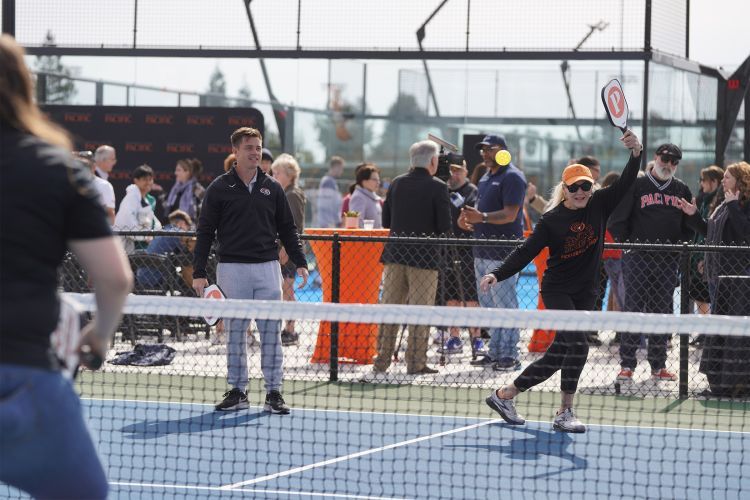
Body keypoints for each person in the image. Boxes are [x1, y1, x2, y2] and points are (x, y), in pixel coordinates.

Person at [0, 34, 133, 498]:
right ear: (24, 89)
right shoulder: (60, 169)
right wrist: (101, 332)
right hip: (25, 379)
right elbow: (115, 276)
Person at [482, 130, 642, 433]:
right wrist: (497, 273)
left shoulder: (600, 204)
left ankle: (507, 396)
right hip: (557, 291)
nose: (581, 191)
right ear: (565, 190)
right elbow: (525, 251)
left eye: (585, 186)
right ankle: (563, 410)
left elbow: (626, 181)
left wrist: (636, 152)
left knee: (564, 352)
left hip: (585, 292)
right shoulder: (551, 219)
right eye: (575, 187)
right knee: (577, 345)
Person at [192, 127, 309, 414]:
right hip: (231, 270)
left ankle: (274, 392)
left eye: (258, 147)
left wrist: (300, 260)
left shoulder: (273, 188)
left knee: (270, 331)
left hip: (268, 269)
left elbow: (288, 229)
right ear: (236, 151)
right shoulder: (219, 188)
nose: (255, 152)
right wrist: (198, 271)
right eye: (249, 148)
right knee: (235, 333)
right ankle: (238, 391)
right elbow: (205, 231)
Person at [609, 143, 694, 384]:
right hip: (637, 259)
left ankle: (658, 366)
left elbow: (688, 228)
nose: (669, 165)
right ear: (656, 157)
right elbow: (617, 220)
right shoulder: (636, 185)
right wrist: (627, 245)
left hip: (667, 262)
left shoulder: (682, 189)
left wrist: (678, 250)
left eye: (674, 162)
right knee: (633, 310)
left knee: (662, 313)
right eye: (665, 159)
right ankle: (627, 365)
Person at [367, 140, 452, 378]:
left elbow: (386, 221)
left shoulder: (396, 183)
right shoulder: (438, 187)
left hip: (395, 254)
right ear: (433, 161)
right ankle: (415, 362)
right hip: (425, 259)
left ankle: (381, 360)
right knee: (420, 311)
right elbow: (444, 226)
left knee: (390, 309)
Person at [459, 134, 526, 371]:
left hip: (503, 253)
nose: (485, 154)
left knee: (505, 305)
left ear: (503, 151)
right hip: (482, 250)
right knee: (489, 305)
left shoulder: (513, 177)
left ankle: (510, 354)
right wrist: (469, 219)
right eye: (483, 151)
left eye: (490, 149)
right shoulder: (487, 177)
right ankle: (496, 352)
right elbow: (483, 213)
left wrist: (483, 217)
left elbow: (510, 213)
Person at [678, 162, 750, 308]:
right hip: (718, 272)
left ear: (740, 180)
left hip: (739, 275)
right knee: (719, 318)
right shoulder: (725, 204)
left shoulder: (741, 204)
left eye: (727, 178)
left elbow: (745, 232)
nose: (723, 181)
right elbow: (709, 230)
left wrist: (733, 206)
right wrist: (694, 215)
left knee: (736, 320)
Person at [436, 161, 482, 354]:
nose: (454, 174)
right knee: (450, 297)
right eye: (451, 170)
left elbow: (472, 217)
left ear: (466, 171)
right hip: (446, 250)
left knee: (471, 298)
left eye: (458, 170)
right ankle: (454, 338)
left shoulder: (473, 191)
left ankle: (477, 339)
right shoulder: (440, 190)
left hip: (466, 251)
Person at [271, 153, 307, 346]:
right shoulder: (284, 193)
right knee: (284, 288)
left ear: (290, 174)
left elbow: (295, 226)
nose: (274, 175)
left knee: (287, 288)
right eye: (273, 172)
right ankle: (287, 328)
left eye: (278, 172)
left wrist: (285, 249)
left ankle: (290, 329)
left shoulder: (292, 194)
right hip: (284, 249)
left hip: (289, 251)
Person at [688, 165, 725, 325]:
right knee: (699, 296)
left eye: (704, 180)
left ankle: (708, 330)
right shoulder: (704, 198)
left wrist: (704, 256)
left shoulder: (720, 201)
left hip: (707, 256)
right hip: (698, 254)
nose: (701, 183)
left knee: (708, 297)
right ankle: (705, 330)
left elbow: (712, 231)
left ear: (714, 181)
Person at [135, 209, 194, 288]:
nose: (188, 230)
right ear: (182, 223)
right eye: (188, 227)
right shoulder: (177, 232)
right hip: (157, 278)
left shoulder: (163, 231)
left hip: (142, 277)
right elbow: (187, 253)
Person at [114, 164, 163, 253]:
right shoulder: (131, 198)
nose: (148, 183)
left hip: (145, 247)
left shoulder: (150, 200)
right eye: (144, 179)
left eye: (150, 179)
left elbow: (152, 221)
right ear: (136, 180)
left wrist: (153, 235)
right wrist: (144, 236)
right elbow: (127, 221)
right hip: (130, 247)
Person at [75, 150, 116, 224]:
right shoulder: (71, 184)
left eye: (87, 165)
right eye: (81, 165)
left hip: (96, 230)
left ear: (93, 167)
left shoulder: (104, 185)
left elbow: (110, 213)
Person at [349, 163, 383, 228]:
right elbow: (357, 224)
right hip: (367, 238)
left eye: (378, 180)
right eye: (374, 179)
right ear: (364, 181)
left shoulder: (373, 197)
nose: (378, 182)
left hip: (376, 238)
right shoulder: (358, 197)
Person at [317, 155, 345, 228]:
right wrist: (338, 222)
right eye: (341, 168)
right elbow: (328, 206)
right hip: (329, 225)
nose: (342, 171)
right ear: (335, 167)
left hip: (328, 224)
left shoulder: (330, 181)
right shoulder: (328, 182)